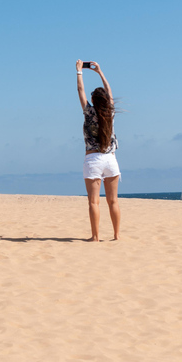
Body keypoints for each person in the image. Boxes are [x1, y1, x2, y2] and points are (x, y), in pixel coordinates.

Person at [76, 60, 120, 241]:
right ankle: (117, 236)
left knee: (94, 201)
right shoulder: (111, 113)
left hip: (93, 159)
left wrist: (79, 72)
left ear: (93, 100)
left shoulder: (89, 112)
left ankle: (95, 237)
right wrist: (100, 72)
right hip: (110, 159)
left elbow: (80, 91)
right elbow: (109, 93)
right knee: (113, 201)